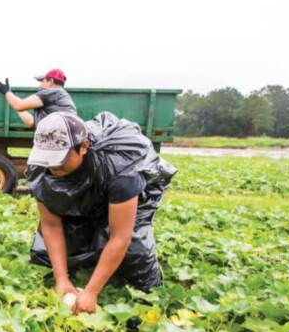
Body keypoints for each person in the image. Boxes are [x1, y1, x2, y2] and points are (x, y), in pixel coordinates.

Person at [25, 111, 176, 315]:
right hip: (93, 182)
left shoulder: (120, 166)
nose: (52, 166)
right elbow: (51, 225)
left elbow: (120, 236)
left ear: (83, 147)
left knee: (133, 250)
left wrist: (91, 291)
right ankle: (87, 267)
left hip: (128, 190)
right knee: (70, 242)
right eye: (48, 160)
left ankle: (139, 290)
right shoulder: (40, 165)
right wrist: (62, 279)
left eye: (59, 160)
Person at [0, 68, 76, 129]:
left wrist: (6, 92)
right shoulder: (62, 95)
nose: (40, 85)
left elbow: (18, 105)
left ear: (50, 81)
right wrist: (13, 101)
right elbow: (31, 122)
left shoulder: (52, 92)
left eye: (42, 81)